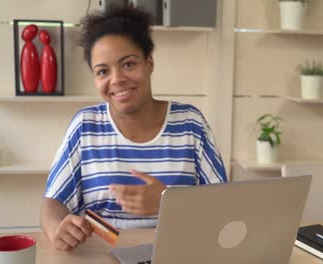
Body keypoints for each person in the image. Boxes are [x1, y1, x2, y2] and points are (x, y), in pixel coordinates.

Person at [40, 6, 228, 251]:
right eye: (103, 71)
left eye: (128, 64)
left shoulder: (190, 123)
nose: (116, 79)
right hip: (102, 254)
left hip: (176, 252)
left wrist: (168, 203)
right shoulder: (85, 126)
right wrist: (58, 228)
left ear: (149, 63)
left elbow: (223, 206)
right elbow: (51, 204)